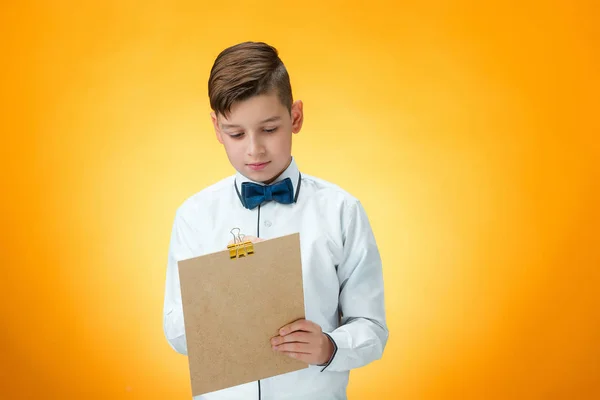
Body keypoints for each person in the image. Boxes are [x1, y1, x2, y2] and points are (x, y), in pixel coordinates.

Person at [163, 41, 388, 400]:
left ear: (295, 117)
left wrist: (330, 346)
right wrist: (222, 299)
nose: (254, 149)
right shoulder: (195, 216)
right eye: (236, 133)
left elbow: (372, 327)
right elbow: (175, 331)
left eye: (269, 129)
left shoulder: (341, 211)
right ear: (217, 128)